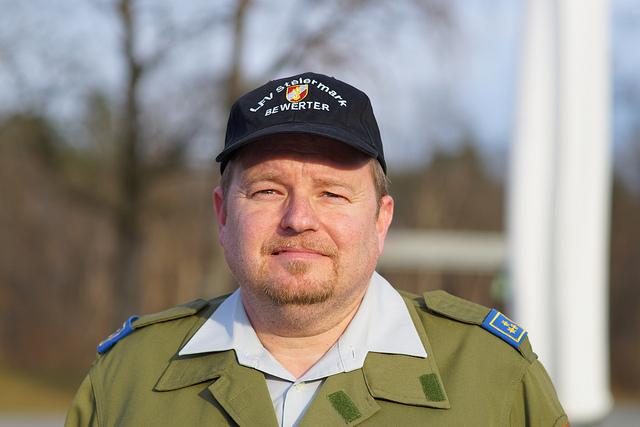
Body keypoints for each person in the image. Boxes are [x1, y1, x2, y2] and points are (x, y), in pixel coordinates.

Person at [66, 72, 568, 426]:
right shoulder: (127, 380)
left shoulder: (493, 377)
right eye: (267, 190)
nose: (299, 219)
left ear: (381, 220)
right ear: (222, 215)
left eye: (331, 193)